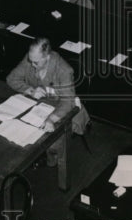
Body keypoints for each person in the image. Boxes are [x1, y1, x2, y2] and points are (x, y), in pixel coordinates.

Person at [5, 38, 78, 166]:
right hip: (36, 105)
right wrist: (30, 90)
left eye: (36, 63)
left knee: (53, 143)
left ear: (48, 57)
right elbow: (11, 79)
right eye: (30, 61)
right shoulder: (32, 59)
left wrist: (51, 119)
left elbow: (68, 102)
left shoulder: (64, 70)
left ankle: (50, 158)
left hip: (59, 108)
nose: (32, 65)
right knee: (13, 129)